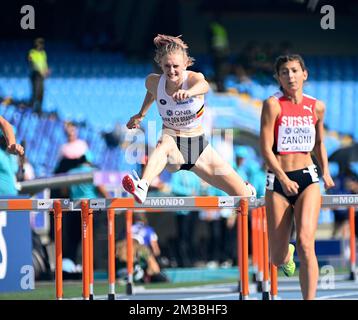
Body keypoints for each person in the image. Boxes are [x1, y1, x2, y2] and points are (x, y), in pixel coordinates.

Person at [122, 34, 256, 204]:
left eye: (176, 66)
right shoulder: (153, 82)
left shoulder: (194, 79)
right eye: (167, 66)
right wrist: (141, 114)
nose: (171, 71)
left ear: (185, 64)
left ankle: (245, 188)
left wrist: (189, 92)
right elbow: (152, 92)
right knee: (165, 143)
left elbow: (204, 86)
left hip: (198, 147)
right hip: (173, 146)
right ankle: (142, 186)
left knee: (243, 196)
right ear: (161, 65)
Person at [260, 54, 335, 300]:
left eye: (294, 70)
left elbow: (320, 143)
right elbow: (265, 148)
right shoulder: (272, 104)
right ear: (278, 78)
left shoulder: (317, 106)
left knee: (306, 242)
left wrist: (325, 170)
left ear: (305, 74)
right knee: (276, 257)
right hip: (278, 180)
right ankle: (285, 253)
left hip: (307, 178)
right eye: (284, 72)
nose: (290, 76)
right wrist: (282, 177)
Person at [0, 117, 24, 195]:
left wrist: (12, 145)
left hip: (11, 198)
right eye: (4, 138)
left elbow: (4, 123)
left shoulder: (11, 156)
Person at [28, 38, 50, 114]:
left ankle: (39, 110)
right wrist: (41, 71)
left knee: (41, 92)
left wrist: (46, 70)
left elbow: (44, 63)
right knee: (36, 92)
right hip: (35, 75)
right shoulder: (32, 52)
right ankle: (32, 109)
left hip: (41, 76)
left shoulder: (43, 53)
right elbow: (33, 63)